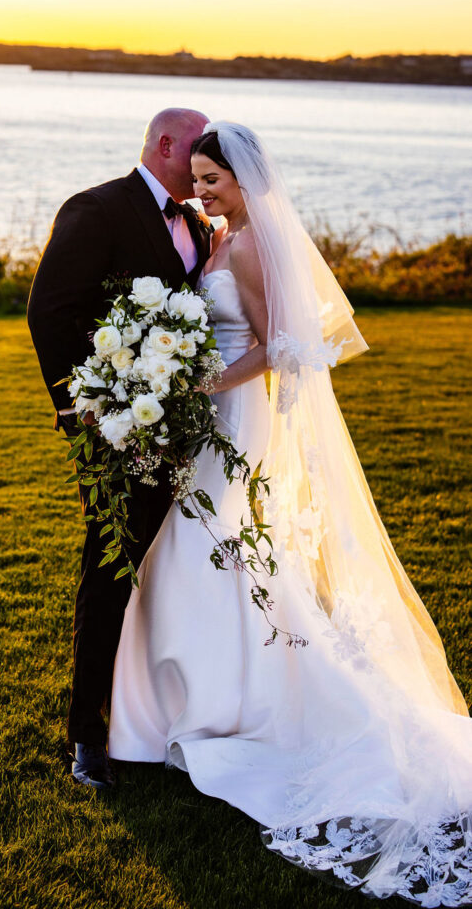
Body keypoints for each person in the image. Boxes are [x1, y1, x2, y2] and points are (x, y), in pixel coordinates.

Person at [108, 122, 472, 906]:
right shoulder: (220, 237)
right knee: (205, 555)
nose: (202, 193)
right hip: (215, 419)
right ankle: (190, 700)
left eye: (213, 182)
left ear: (244, 181)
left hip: (235, 419)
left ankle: (224, 706)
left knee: (208, 552)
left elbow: (275, 347)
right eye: (196, 180)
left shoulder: (241, 249)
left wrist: (197, 387)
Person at [27, 108, 212, 789]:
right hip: (110, 430)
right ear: (164, 145)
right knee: (108, 570)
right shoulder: (98, 208)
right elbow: (50, 311)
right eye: (197, 147)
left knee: (168, 571)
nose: (207, 158)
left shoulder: (196, 225)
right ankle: (87, 735)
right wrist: (85, 412)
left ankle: (158, 717)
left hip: (180, 430)